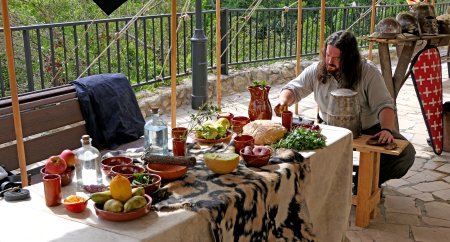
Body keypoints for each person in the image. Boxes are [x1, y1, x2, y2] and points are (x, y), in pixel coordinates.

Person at [274, 30, 416, 186]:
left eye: (336, 58)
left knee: (406, 155)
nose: (329, 61)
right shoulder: (317, 69)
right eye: (327, 55)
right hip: (330, 130)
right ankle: (327, 185)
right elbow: (293, 88)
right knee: (296, 151)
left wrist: (387, 130)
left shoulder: (368, 72)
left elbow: (385, 105)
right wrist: (284, 101)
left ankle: (363, 182)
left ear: (349, 58)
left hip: (367, 130)